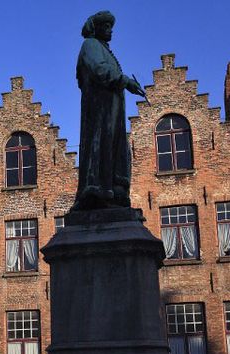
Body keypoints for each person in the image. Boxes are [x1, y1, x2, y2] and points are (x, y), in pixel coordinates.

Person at [74, 11, 146, 210]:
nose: (110, 30)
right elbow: (99, 70)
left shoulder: (103, 48)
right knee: (102, 145)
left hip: (111, 110)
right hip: (100, 112)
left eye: (110, 26)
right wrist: (125, 81)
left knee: (114, 146)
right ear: (96, 28)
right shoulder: (90, 45)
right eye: (106, 26)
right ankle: (98, 189)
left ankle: (115, 189)